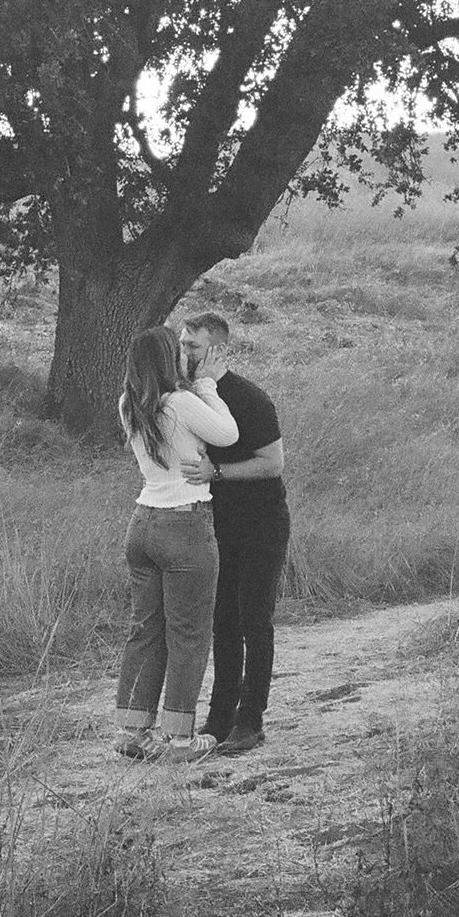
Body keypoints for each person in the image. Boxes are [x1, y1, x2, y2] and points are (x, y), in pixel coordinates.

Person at [114, 323, 240, 762]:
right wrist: (207, 385)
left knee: (144, 630)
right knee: (188, 633)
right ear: (171, 358)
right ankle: (180, 738)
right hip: (184, 523)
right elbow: (228, 434)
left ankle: (133, 730)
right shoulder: (182, 402)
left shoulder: (130, 403)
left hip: (143, 520)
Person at [178, 312, 290, 755]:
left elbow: (273, 463)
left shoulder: (250, 399)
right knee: (222, 620)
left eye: (192, 346)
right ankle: (220, 716)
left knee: (254, 620)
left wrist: (217, 472)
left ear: (217, 350)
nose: (184, 353)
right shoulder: (191, 397)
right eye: (183, 344)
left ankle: (252, 719)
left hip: (262, 522)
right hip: (217, 525)